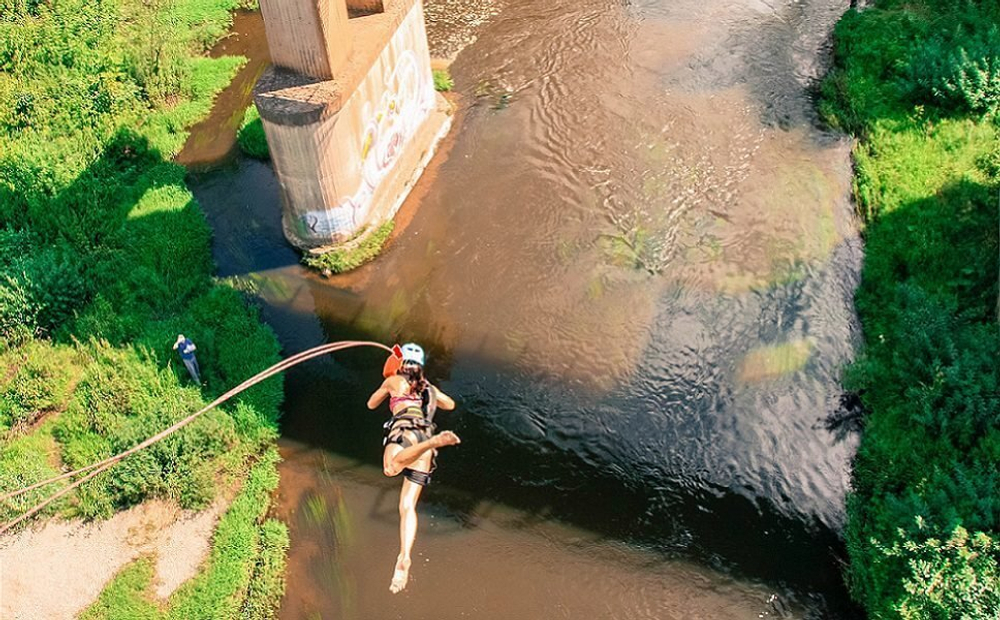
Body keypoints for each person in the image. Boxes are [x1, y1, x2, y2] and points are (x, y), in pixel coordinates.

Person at [366, 343, 459, 594]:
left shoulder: (394, 382)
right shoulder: (427, 387)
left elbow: (371, 404)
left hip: (405, 433)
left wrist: (387, 381)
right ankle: (404, 556)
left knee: (390, 468)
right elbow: (450, 405)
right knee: (407, 506)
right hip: (423, 442)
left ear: (402, 364)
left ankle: (431, 443)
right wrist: (430, 390)